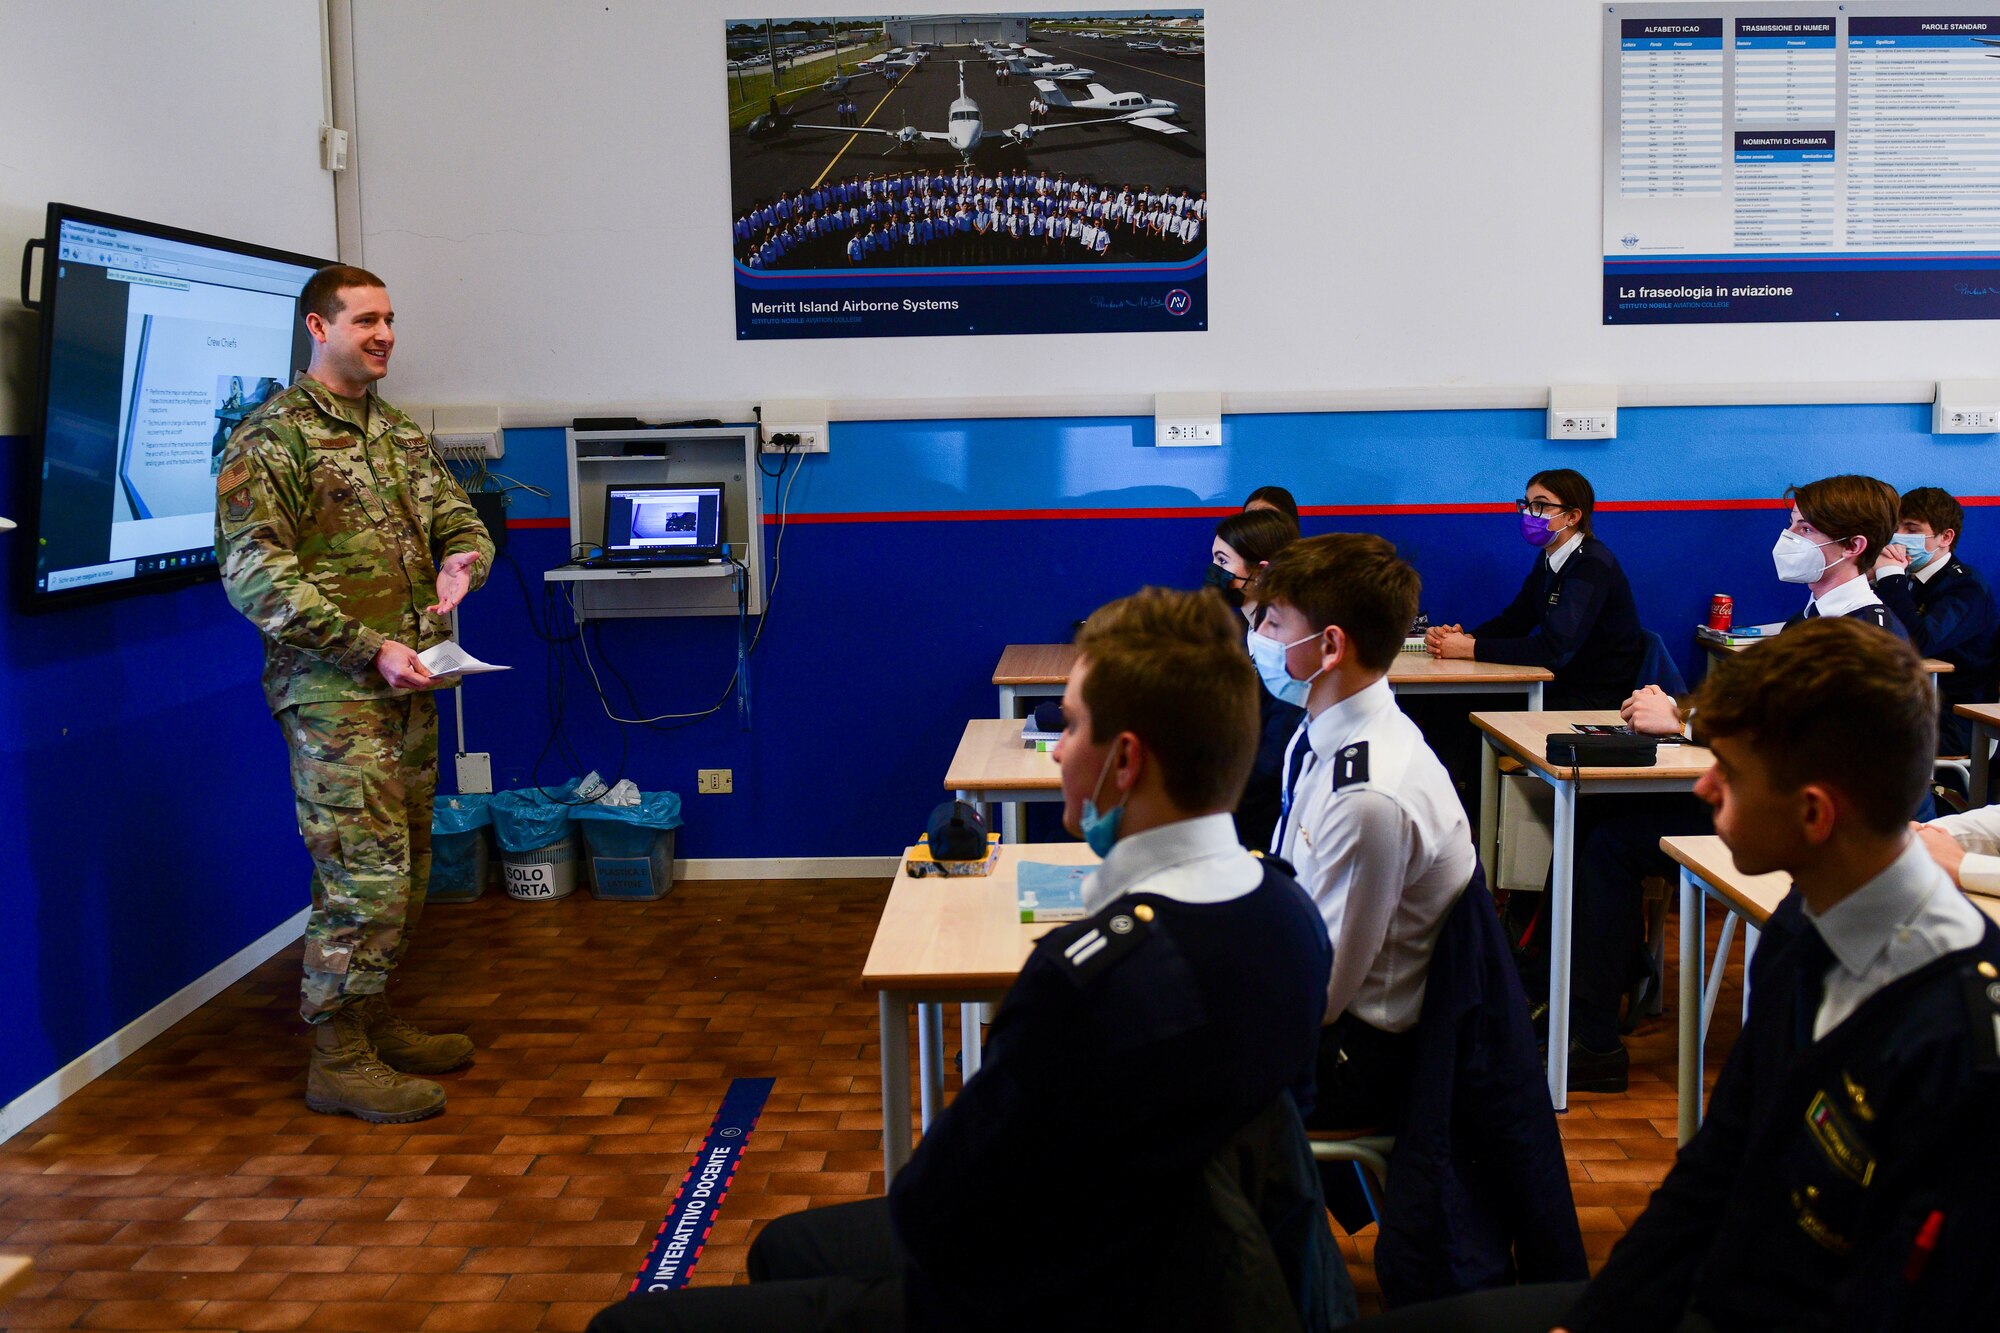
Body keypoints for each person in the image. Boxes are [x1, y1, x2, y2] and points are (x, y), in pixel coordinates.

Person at [590, 588, 1344, 1332]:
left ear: (1123, 760)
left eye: (1071, 726)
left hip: (1062, 1291)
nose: (1058, 749)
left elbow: (934, 1208)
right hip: (1193, 1269)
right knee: (788, 1246)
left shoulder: (1088, 977)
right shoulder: (1289, 915)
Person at [1355, 617, 2000, 1332]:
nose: (1704, 785)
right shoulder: (1805, 921)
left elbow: (1896, 1302)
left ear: (1814, 813)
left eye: (1730, 770)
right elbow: (1714, 1173)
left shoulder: (1962, 1041)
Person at [215, 265, 493, 1123]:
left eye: (391, 320)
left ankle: (369, 1017)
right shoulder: (273, 439)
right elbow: (254, 574)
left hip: (412, 689)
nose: (384, 335)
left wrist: (462, 560)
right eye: (366, 320)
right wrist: (369, 647)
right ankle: (336, 1054)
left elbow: (462, 517)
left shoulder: (396, 432)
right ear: (317, 327)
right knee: (361, 879)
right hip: (335, 697)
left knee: (406, 873)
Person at [1256, 534, 1476, 1130]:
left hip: (1350, 1058)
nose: (1260, 641)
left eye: (1273, 625)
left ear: (1329, 645)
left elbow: (1322, 997)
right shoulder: (1325, 733)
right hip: (1321, 1012)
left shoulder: (1368, 794)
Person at [1424, 468, 1646, 710]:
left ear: (1572, 517)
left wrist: (1470, 649)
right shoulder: (1549, 556)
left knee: (1460, 709)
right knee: (1449, 703)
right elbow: (1515, 620)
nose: (1530, 513)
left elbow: (1554, 651)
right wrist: (1467, 637)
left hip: (1595, 697)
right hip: (1562, 685)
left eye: (1541, 505)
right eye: (1527, 504)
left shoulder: (1591, 565)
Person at [1874, 486, 1999, 757]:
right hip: (1909, 706)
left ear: (1945, 537)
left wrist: (1891, 580)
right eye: (1896, 528)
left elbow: (1920, 642)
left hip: (1955, 719)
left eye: (1912, 528)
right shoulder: (1909, 578)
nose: (1899, 537)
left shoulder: (1966, 587)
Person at [1209, 507, 1304, 852]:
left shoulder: (1287, 652)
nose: (1214, 572)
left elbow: (1269, 767)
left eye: (1223, 561)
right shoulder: (1244, 633)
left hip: (1259, 831)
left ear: (1262, 573)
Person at [1774, 473, 1903, 635]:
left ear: (1852, 546)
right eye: (1791, 524)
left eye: (1806, 529)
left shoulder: (1870, 636)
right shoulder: (1803, 620)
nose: (1788, 536)